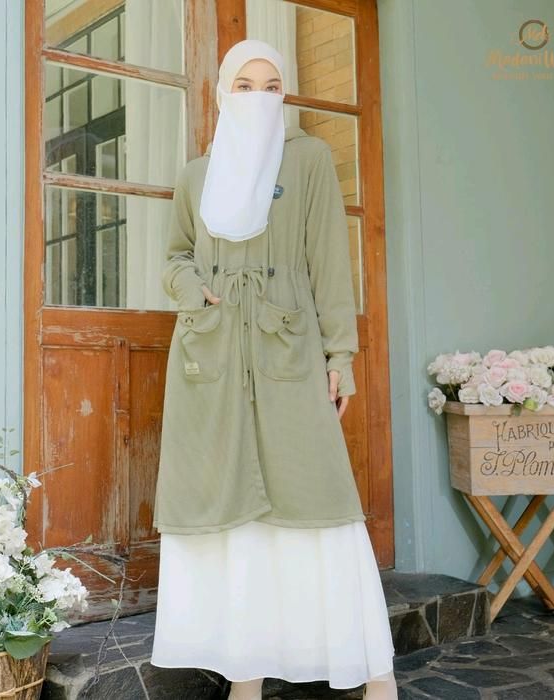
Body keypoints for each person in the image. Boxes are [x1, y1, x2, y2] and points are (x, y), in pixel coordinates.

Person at [151, 38, 398, 700]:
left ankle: (375, 673)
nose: (258, 97)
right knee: (227, 509)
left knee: (319, 500)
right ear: (223, 93)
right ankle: (246, 677)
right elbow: (174, 254)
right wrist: (194, 289)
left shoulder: (309, 158)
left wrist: (340, 355)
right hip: (210, 354)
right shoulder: (197, 174)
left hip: (287, 346)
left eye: (271, 86)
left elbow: (330, 261)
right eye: (245, 85)